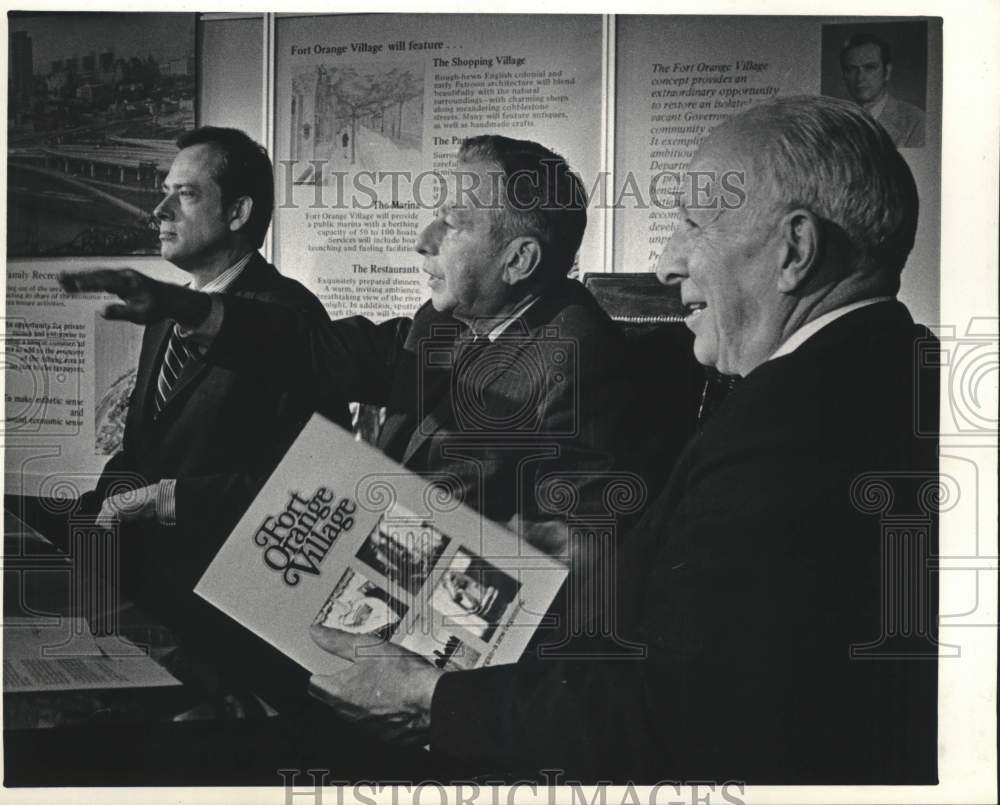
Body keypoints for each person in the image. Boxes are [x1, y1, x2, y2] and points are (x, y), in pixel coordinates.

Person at [303, 96, 940, 783]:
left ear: (796, 250)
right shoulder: (877, 375)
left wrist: (430, 699)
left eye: (692, 225)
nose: (666, 265)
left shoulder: (790, 430)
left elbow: (673, 714)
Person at [62, 135, 627, 535]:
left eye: (452, 222)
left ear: (519, 260)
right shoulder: (442, 323)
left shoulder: (577, 358)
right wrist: (182, 305)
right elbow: (316, 350)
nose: (423, 240)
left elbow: (569, 546)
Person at [70, 126, 349, 599]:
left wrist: (167, 500)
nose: (160, 211)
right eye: (165, 192)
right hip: (142, 588)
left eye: (186, 194)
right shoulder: (167, 311)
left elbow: (313, 483)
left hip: (224, 598)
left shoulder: (290, 318)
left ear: (238, 212)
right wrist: (86, 521)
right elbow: (143, 450)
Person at [840, 32, 925, 147]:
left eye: (870, 67)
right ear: (844, 75)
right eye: (851, 69)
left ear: (887, 72)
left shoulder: (916, 122)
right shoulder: (834, 122)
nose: (860, 77)